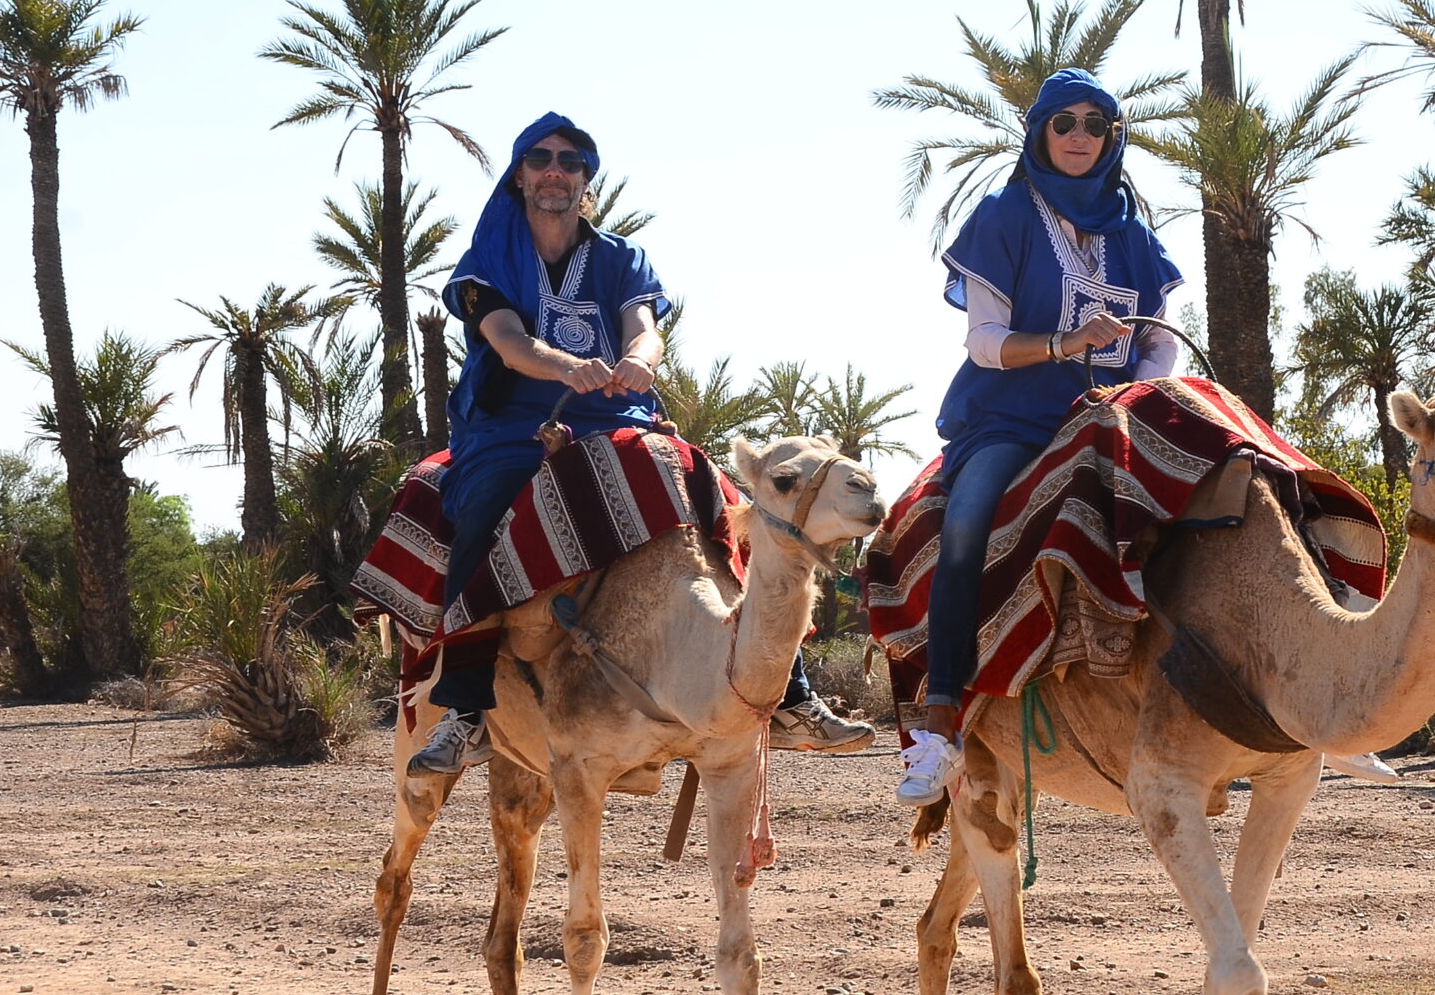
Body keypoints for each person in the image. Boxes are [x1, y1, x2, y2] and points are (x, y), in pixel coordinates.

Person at [408, 112, 863, 774]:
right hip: (515, 427)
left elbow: (644, 327)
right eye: (540, 158)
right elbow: (505, 341)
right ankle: (469, 710)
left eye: (571, 160)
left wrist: (642, 360)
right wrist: (565, 366)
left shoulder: (621, 257)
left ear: (586, 178)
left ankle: (790, 693)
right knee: (480, 512)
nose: (555, 170)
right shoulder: (489, 257)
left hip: (620, 419)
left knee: (729, 502)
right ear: (520, 175)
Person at [900, 69, 1185, 804]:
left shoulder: (1135, 235)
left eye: (1096, 124)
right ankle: (940, 723)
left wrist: (1142, 384)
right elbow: (987, 344)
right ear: (1040, 133)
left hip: (1115, 417)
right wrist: (1067, 344)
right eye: (1066, 123)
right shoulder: (1004, 218)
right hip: (1013, 420)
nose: (1081, 137)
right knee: (965, 525)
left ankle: (1259, 703)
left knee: (1220, 500)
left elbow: (1160, 341)